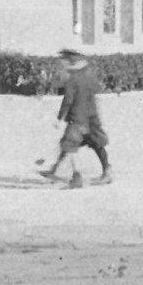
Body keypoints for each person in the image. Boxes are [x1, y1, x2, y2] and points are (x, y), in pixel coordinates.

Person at [37, 46, 111, 188]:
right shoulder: (89, 76)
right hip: (92, 118)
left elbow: (68, 101)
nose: (62, 64)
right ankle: (107, 171)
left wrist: (59, 118)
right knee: (95, 144)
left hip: (78, 119)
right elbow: (96, 91)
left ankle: (77, 178)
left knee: (69, 145)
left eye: (63, 60)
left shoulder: (72, 79)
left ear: (69, 61)